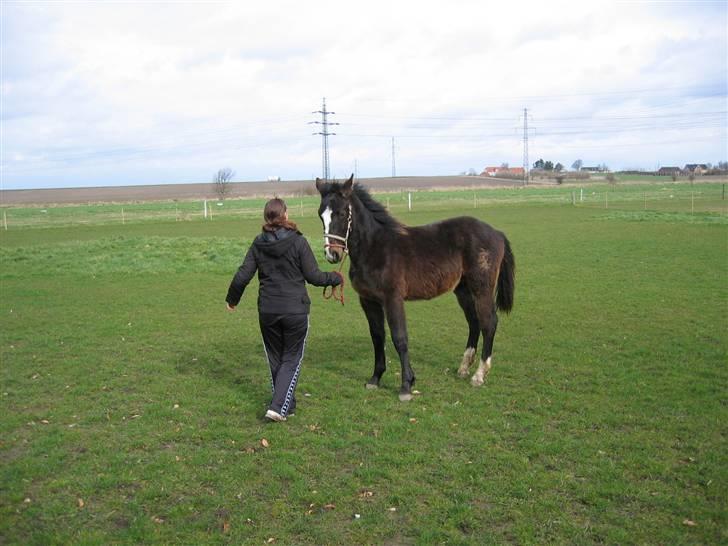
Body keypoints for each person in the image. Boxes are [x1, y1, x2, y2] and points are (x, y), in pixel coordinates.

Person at [225, 198, 342, 422]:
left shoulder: (259, 243)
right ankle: (278, 406)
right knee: (291, 358)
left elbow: (242, 275)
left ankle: (287, 404)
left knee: (276, 358)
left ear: (266, 218)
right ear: (285, 215)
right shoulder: (299, 242)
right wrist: (335, 278)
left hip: (267, 311)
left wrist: (232, 300)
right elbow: (314, 277)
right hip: (295, 311)